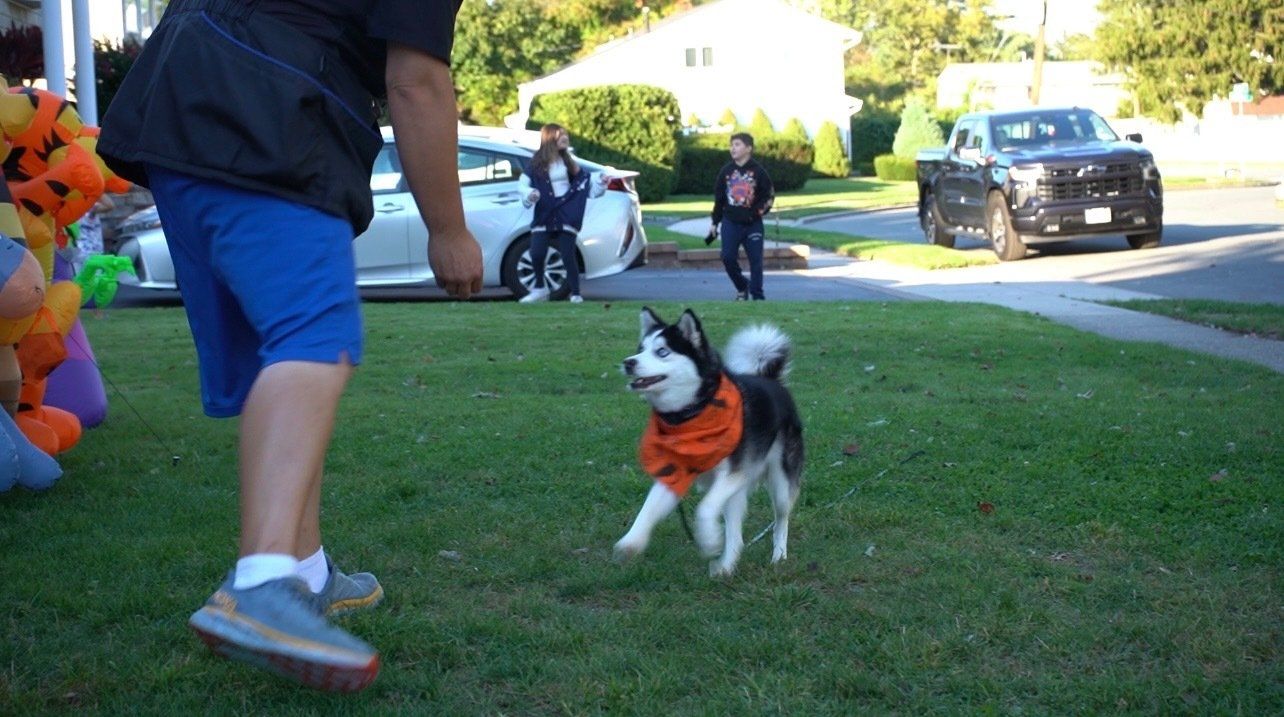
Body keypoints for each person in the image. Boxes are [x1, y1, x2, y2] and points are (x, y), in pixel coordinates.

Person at [97, 0, 483, 692]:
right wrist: (448, 229)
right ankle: (263, 580)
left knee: (272, 358)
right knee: (314, 335)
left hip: (178, 106)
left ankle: (304, 568)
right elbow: (415, 81)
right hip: (267, 108)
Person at [516, 123, 607, 304]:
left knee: (567, 254)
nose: (565, 137)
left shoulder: (569, 161)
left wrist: (601, 182)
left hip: (566, 214)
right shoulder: (536, 163)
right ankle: (539, 289)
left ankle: (575, 294)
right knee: (536, 252)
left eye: (565, 134)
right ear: (549, 138)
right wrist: (530, 194)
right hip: (545, 213)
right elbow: (522, 184)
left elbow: (585, 185)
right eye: (560, 135)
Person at [709, 132, 774, 301]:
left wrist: (756, 213)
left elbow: (768, 197)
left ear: (748, 148)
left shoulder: (759, 172)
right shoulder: (726, 172)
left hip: (753, 224)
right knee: (727, 257)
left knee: (756, 261)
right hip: (730, 222)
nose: (733, 148)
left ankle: (758, 296)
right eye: (732, 145)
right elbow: (719, 199)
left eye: (737, 144)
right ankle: (742, 285)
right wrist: (715, 222)